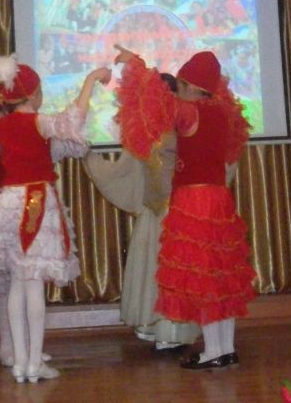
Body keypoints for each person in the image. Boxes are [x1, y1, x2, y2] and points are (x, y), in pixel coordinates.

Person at [0, 54, 111, 382]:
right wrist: (90, 79)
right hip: (36, 202)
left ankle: (20, 363)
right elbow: (72, 119)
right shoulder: (39, 122)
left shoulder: (0, 126)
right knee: (32, 284)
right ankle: (34, 363)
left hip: (8, 203)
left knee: (18, 283)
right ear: (33, 94)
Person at [113, 44, 256, 370]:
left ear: (191, 85)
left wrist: (135, 63)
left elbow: (156, 100)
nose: (177, 89)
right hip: (219, 199)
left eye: (180, 83)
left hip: (194, 201)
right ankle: (226, 349)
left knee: (203, 278)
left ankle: (213, 352)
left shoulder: (191, 112)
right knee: (221, 275)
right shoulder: (225, 113)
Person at [84, 74, 232, 352]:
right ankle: (159, 330)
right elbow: (126, 169)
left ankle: (178, 332)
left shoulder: (187, 121)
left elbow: (214, 160)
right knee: (157, 269)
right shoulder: (146, 128)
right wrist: (91, 158)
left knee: (180, 273)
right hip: (154, 211)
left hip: (183, 211)